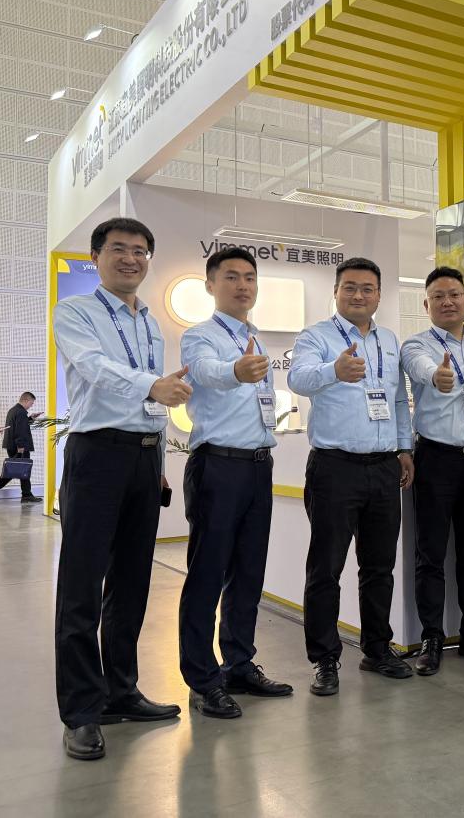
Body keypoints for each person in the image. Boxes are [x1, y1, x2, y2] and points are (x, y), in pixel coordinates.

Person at [52, 217, 192, 761]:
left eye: (140, 251)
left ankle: (121, 691)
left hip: (142, 458)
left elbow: (155, 400)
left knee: (132, 582)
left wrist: (158, 458)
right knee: (82, 586)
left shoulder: (150, 322)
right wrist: (151, 385)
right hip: (96, 455)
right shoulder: (76, 312)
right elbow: (93, 367)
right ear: (96, 257)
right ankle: (81, 712)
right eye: (119, 249)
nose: (130, 259)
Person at [287, 257, 415, 696]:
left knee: (379, 567)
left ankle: (377, 649)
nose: (358, 295)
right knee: (326, 568)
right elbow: (298, 379)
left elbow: (396, 401)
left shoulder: (389, 340)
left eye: (367, 288)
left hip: (383, 467)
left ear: (378, 295)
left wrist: (403, 448)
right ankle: (324, 659)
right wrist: (333, 371)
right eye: (350, 287)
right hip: (334, 468)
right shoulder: (316, 336)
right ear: (336, 292)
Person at [178, 249, 292, 720]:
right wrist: (234, 372)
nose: (242, 286)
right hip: (218, 466)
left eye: (249, 277)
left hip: (258, 466)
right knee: (208, 574)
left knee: (248, 573)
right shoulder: (200, 336)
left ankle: (239, 664)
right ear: (210, 285)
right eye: (231, 277)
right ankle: (202, 679)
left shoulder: (254, 337)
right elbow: (205, 371)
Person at [402, 267, 464, 674]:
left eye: (454, 294)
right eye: (438, 296)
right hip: (436, 460)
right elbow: (420, 367)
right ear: (426, 304)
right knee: (430, 553)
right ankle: (431, 637)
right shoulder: (416, 344)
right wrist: (437, 376)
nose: (447, 302)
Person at [0, 392, 42, 505]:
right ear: (26, 400)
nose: (32, 405)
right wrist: (21, 447)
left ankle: (26, 494)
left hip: (12, 445)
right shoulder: (20, 412)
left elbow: (19, 425)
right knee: (14, 470)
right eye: (31, 403)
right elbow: (20, 430)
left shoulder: (14, 410)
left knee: (23, 470)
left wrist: (31, 418)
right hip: (19, 447)